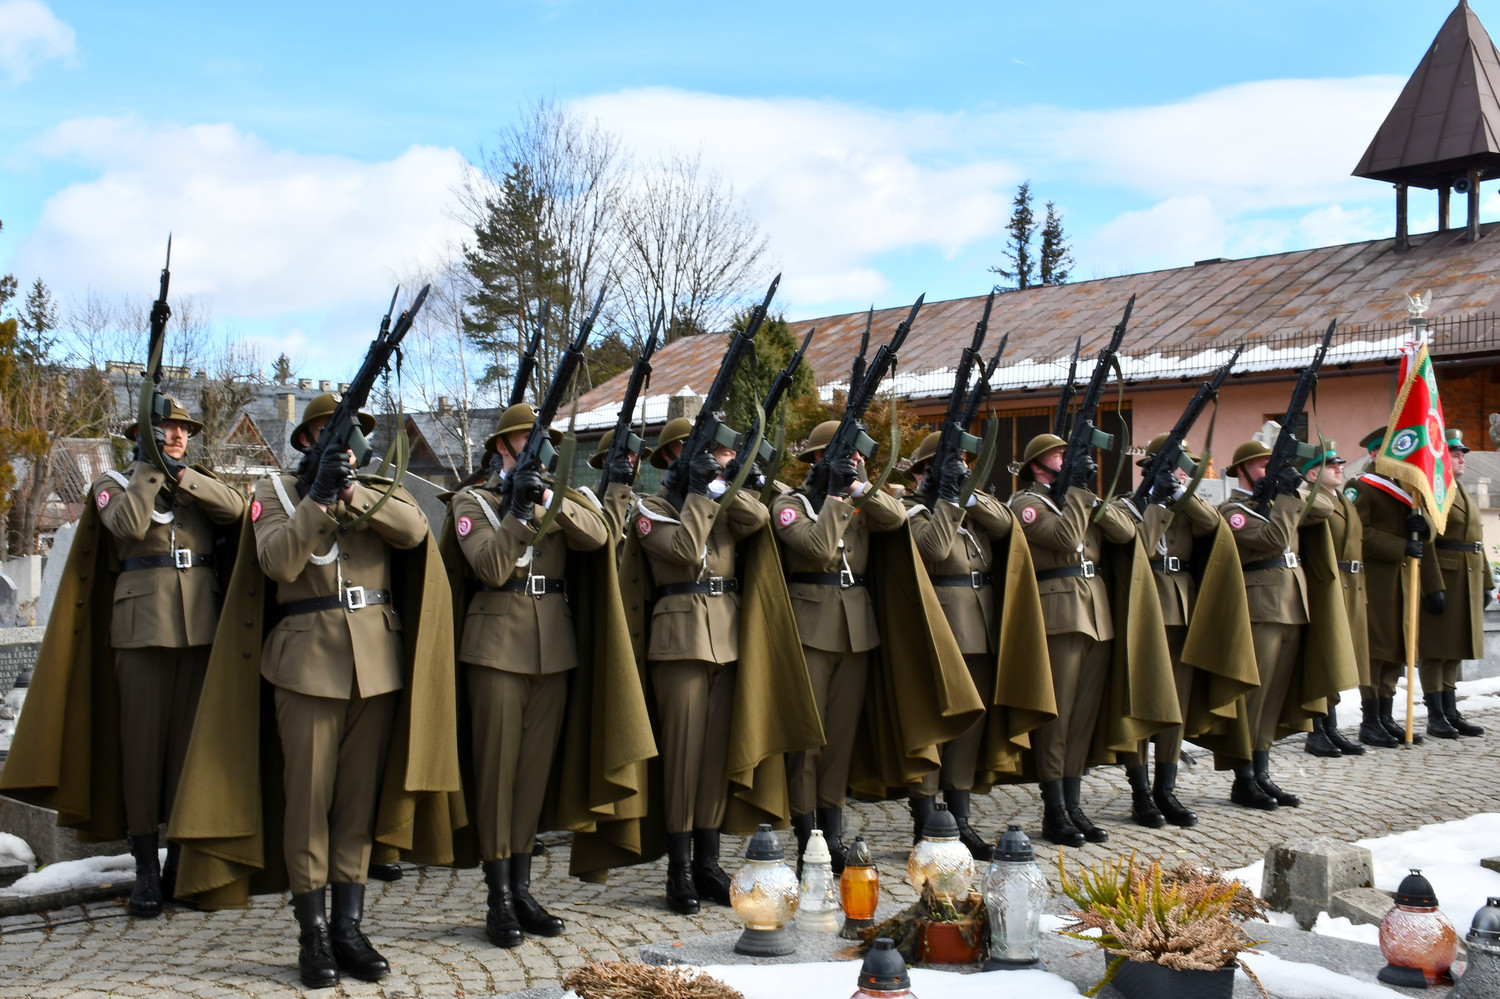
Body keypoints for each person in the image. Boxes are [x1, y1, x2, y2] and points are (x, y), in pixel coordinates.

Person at [168, 392, 461, 990]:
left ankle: (350, 927)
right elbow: (278, 561)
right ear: (306, 441)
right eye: (326, 430)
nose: (341, 439)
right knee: (308, 805)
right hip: (306, 664)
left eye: (347, 430)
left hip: (376, 663)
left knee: (356, 807)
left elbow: (413, 531)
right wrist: (319, 497)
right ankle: (313, 933)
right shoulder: (274, 494)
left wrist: (350, 491)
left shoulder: (381, 487)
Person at [0, 398, 244, 918]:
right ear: (141, 434)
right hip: (141, 631)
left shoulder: (196, 483)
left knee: (187, 753)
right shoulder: (112, 482)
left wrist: (185, 477)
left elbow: (237, 510)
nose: (177, 436)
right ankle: (146, 870)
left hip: (201, 629)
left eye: (182, 429)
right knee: (142, 753)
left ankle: (181, 863)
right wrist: (152, 471)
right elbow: (130, 526)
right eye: (166, 429)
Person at [634, 417, 819, 915]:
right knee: (683, 760)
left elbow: (755, 521)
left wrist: (724, 485)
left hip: (728, 638)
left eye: (721, 454)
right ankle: (679, 869)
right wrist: (697, 493)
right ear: (677, 456)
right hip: (680, 640)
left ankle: (709, 863)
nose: (721, 458)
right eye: (713, 453)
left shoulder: (715, 497)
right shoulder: (652, 508)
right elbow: (682, 549)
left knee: (715, 757)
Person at [447, 404, 611, 946]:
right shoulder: (475, 501)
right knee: (497, 776)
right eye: (525, 440)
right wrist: (517, 512)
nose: (536, 449)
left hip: (553, 649)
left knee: (532, 779)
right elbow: (491, 568)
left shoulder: (558, 494)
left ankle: (521, 887)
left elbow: (597, 537)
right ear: (502, 448)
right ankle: (497, 896)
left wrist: (545, 498)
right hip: (495, 648)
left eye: (542, 442)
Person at [902, 431, 1053, 858]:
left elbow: (1006, 524)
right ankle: (926, 818)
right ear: (924, 472)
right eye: (953, 466)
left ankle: (960, 818)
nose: (964, 470)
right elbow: (933, 547)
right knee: (938, 725)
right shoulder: (913, 511)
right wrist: (947, 498)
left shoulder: (969, 510)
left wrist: (964, 495)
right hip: (943, 631)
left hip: (982, 627)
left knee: (970, 729)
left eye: (967, 465)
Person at [771, 421, 906, 870]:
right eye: (844, 456)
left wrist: (860, 485)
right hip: (811, 625)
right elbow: (817, 546)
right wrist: (832, 495)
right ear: (817, 459)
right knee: (808, 739)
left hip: (856, 627)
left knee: (839, 740)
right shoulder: (792, 504)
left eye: (857, 457)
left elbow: (898, 518)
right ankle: (805, 834)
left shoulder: (857, 497)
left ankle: (832, 832)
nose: (855, 462)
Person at [1008, 433, 1142, 847]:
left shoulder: (1078, 499)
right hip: (1059, 613)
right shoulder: (1027, 504)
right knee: (1059, 717)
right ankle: (1054, 809)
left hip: (1097, 614)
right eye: (1059, 455)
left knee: (1083, 717)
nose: (1068, 459)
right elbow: (1066, 539)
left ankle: (1073, 800)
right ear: (1037, 466)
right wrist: (1079, 495)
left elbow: (1125, 534)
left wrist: (1090, 495)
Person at [1113, 434, 1248, 827]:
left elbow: (1213, 525)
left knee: (1175, 703)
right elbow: (1142, 546)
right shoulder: (1132, 505)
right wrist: (1154, 500)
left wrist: (1181, 494)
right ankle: (1140, 792)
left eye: (1182, 467)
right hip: (1147, 609)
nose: (1178, 473)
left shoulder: (1188, 506)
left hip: (1184, 608)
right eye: (1172, 467)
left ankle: (1165, 789)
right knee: (1141, 702)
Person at [1219, 437, 1341, 810]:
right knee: (1253, 700)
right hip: (1261, 606)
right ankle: (1244, 778)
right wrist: (1284, 499)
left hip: (1292, 604)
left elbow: (1324, 509)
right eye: (1261, 466)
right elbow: (1273, 540)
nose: (1266, 471)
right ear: (1242, 471)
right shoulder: (1233, 510)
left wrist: (1293, 487)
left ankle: (1262, 770)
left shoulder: (1279, 503)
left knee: (1274, 698)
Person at [1350, 426, 1442, 747]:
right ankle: (1370, 720)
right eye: (1388, 452)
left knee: (1395, 649)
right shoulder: (1362, 487)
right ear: (1374, 454)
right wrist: (1399, 545)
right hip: (1376, 582)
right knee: (1376, 650)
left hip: (1402, 582)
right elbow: (1358, 532)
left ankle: (1386, 716)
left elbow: (1427, 524)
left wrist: (1423, 527)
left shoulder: (1408, 487)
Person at [1417, 428, 1492, 740]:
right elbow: (1428, 542)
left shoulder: (1459, 490)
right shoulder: (1435, 491)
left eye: (1462, 454)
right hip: (1447, 576)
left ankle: (1450, 710)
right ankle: (1435, 714)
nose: (1462, 458)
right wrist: (1433, 585)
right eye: (1455, 453)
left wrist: (1486, 581)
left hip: (1468, 576)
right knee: (1436, 649)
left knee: (1455, 647)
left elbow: (1475, 539)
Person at [1301, 444, 1367, 757]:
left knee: (1338, 657)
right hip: (1325, 585)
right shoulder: (1311, 500)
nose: (1340, 468)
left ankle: (1331, 727)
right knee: (1324, 658)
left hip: (1350, 587)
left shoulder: (1342, 499)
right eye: (1331, 465)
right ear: (1312, 473)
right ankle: (1317, 732)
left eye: (1340, 463)